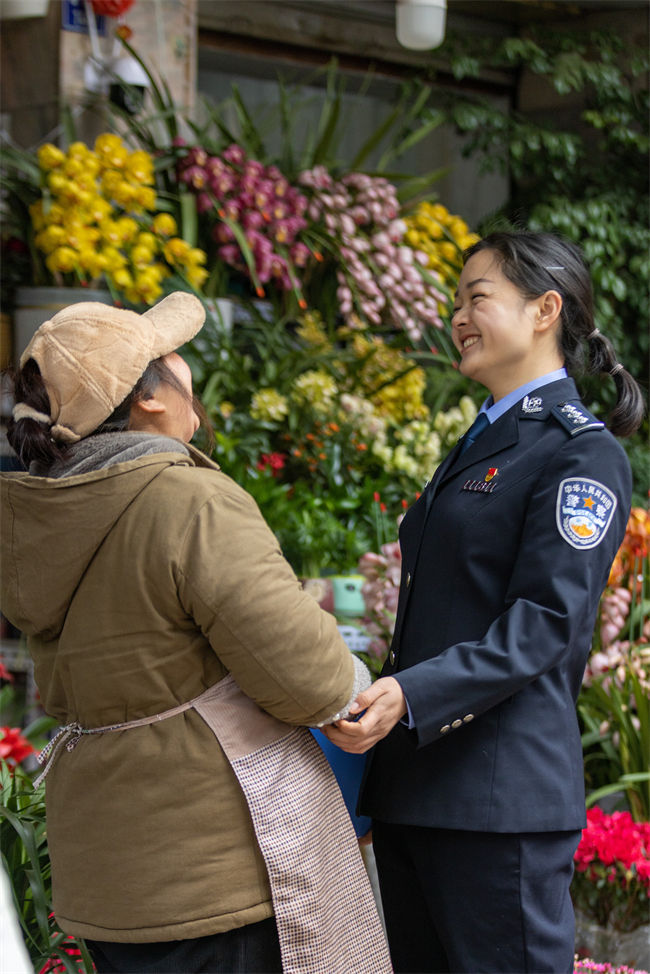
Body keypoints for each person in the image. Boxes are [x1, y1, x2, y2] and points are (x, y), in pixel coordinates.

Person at [0, 292, 392, 974]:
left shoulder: (38, 517)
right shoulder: (186, 500)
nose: (189, 373)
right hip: (212, 871)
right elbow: (313, 678)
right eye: (172, 356)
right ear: (147, 399)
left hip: (108, 873)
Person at [323, 230, 645, 974]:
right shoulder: (483, 441)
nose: (458, 315)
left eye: (478, 297)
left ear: (545, 310)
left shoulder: (578, 452)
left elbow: (546, 624)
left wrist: (407, 694)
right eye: (455, 300)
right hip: (421, 796)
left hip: (500, 809)